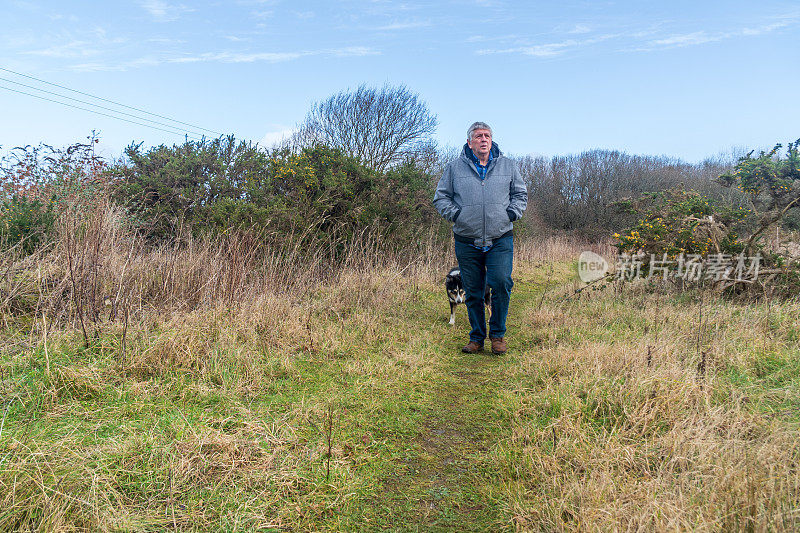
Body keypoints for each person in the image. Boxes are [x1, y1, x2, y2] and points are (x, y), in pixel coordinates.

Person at [433, 122, 528, 354]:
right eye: (478, 136)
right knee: (473, 291)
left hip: (500, 237)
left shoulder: (508, 166)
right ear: (469, 142)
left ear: (492, 140)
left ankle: (497, 336)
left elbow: (520, 194)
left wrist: (511, 213)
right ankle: (476, 338)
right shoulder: (454, 168)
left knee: (501, 283)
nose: (483, 139)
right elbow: (441, 197)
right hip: (467, 238)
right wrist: (457, 215)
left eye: (487, 135)